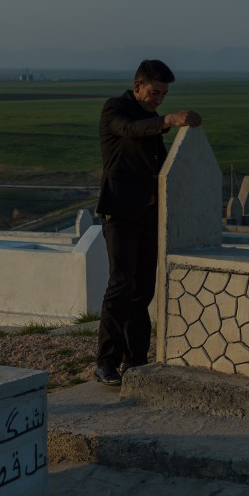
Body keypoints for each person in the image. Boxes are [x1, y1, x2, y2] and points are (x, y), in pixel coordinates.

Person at [94, 59, 201, 385]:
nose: (159, 99)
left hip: (149, 216)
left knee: (142, 292)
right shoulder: (115, 109)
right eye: (155, 92)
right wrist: (167, 120)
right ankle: (105, 362)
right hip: (121, 214)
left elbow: (160, 161)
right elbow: (129, 131)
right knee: (121, 286)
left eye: (164, 95)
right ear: (138, 85)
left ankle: (135, 362)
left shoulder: (153, 119)